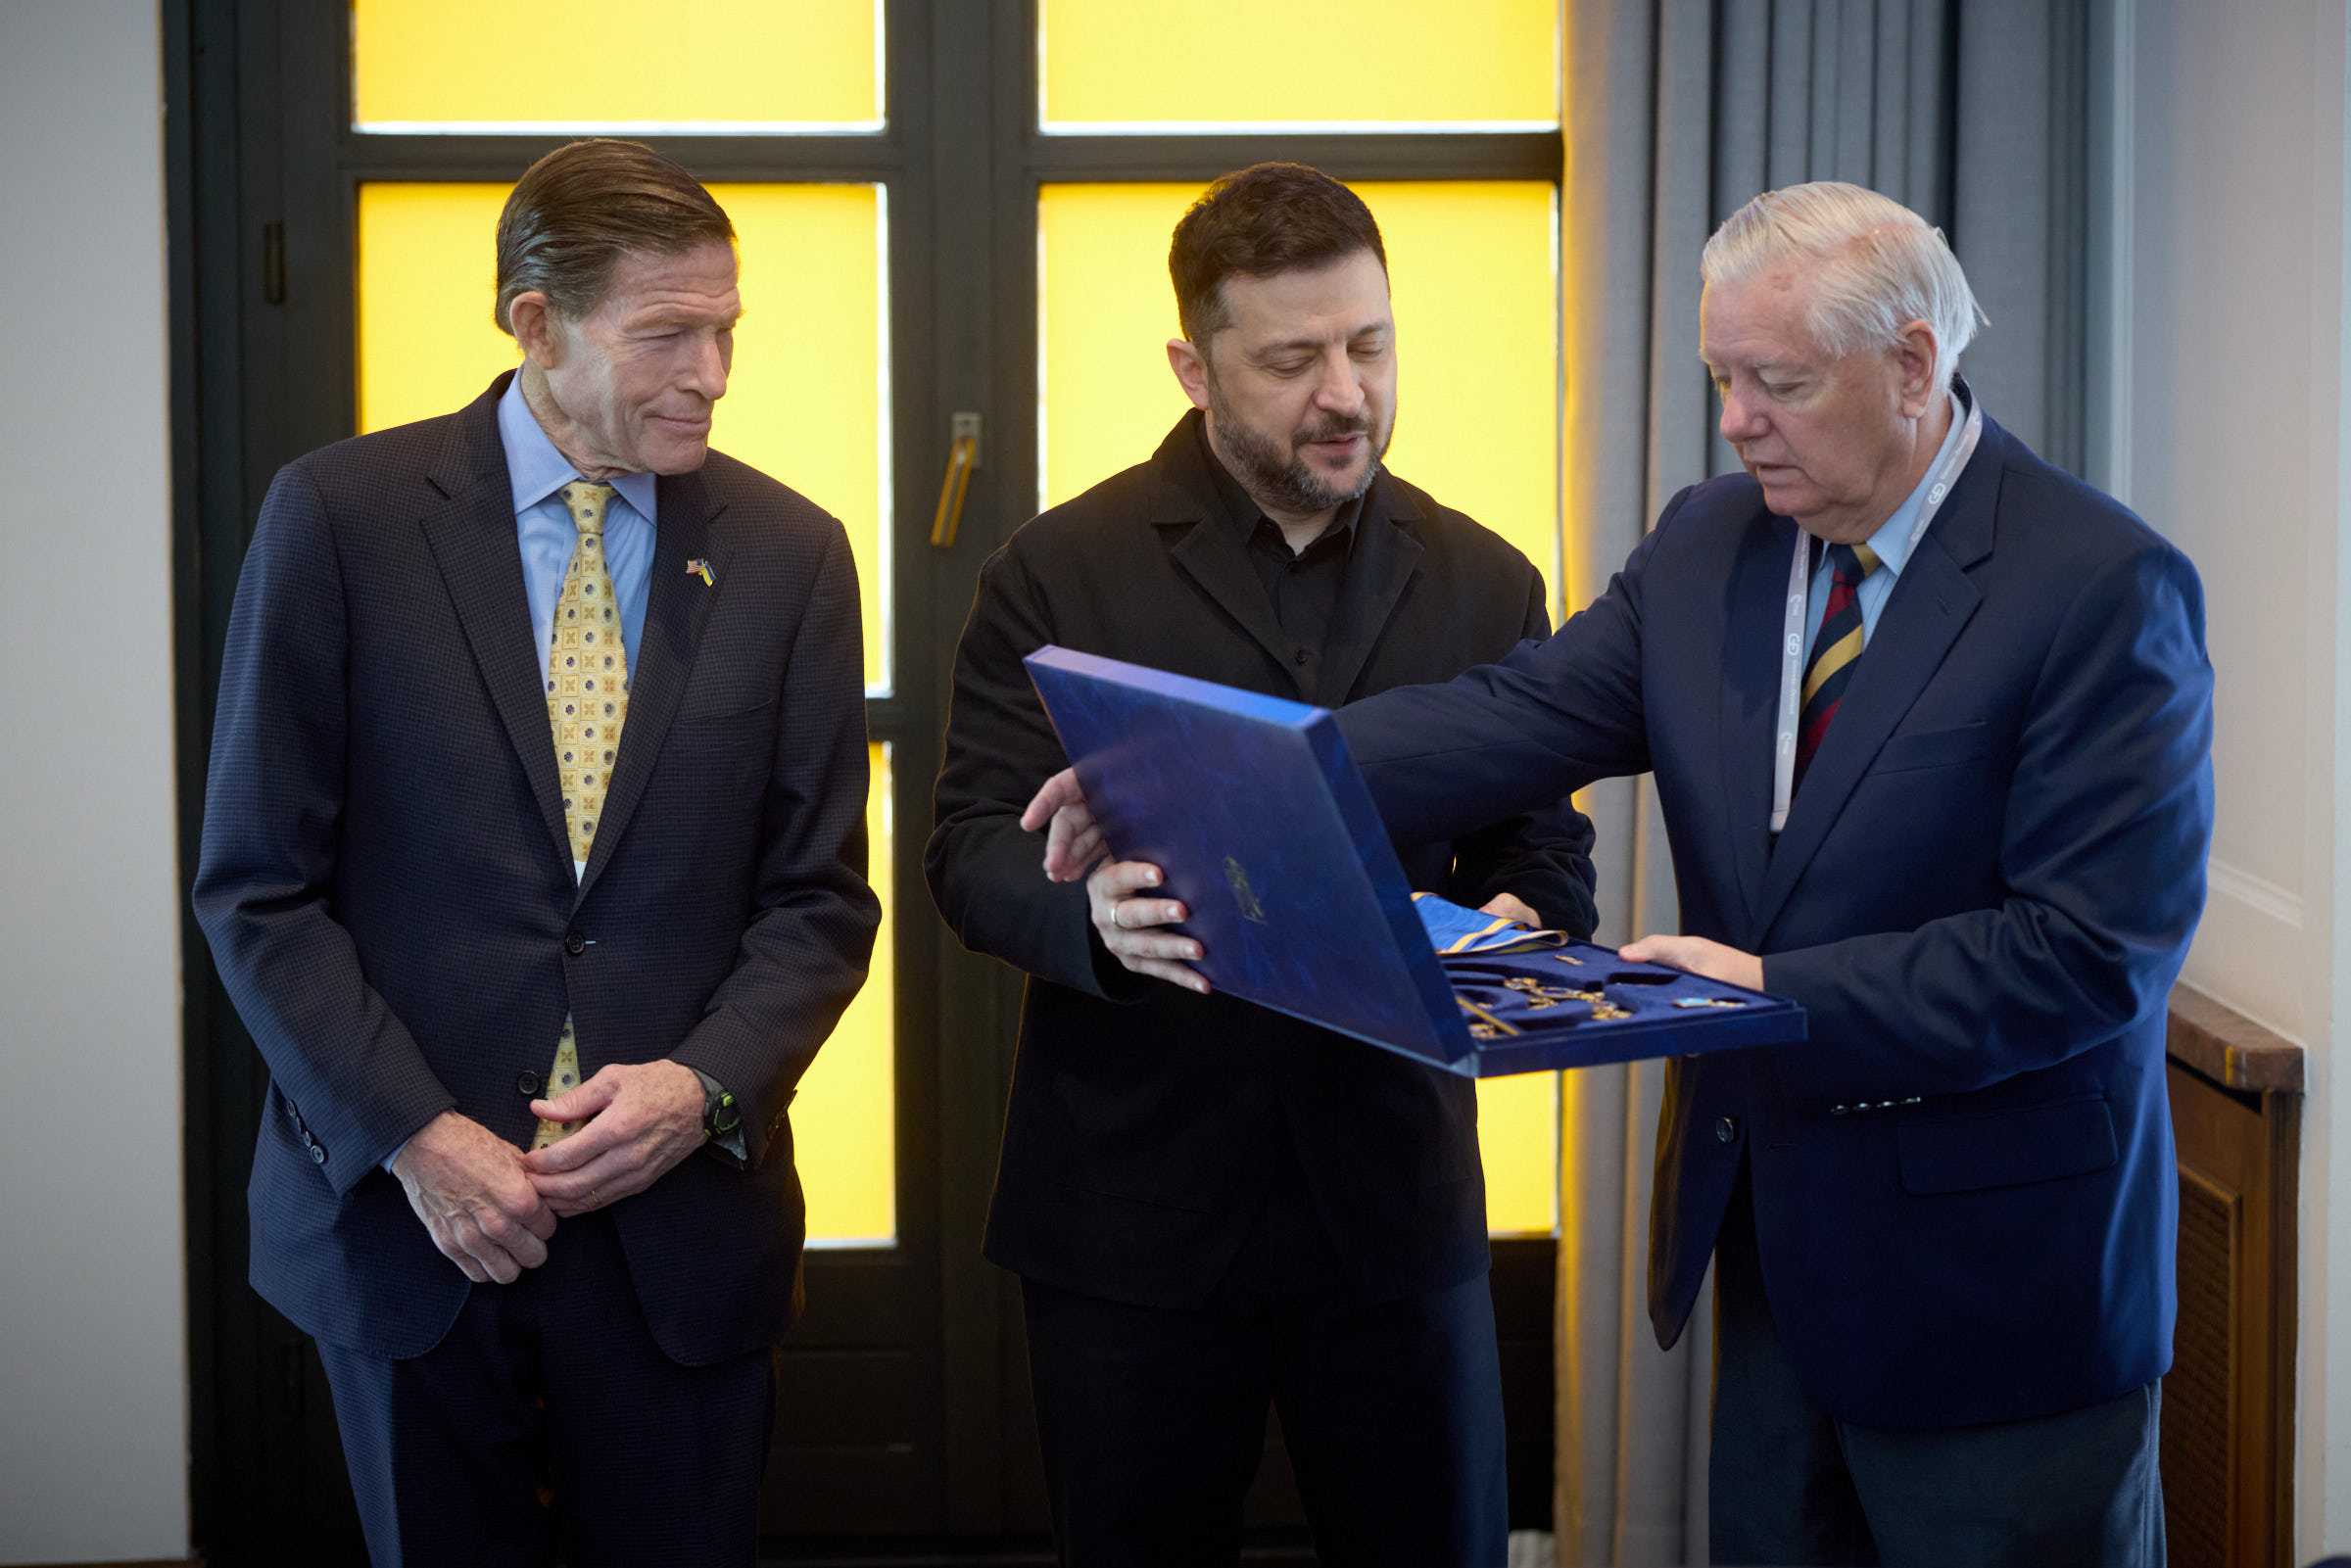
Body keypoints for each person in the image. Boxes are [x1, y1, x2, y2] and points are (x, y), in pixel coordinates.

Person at [1028, 181, 2212, 1567]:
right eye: (1721, 378)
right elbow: (1507, 715)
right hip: (1774, 1264)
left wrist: (1769, 989)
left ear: (1911, 365)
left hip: (2003, 1292)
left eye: (1777, 383)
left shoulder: (2101, 585)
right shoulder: (1715, 539)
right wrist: (1189, 783)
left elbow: (2089, 954)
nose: (1737, 420)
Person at [193, 138, 880, 1565]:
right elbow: (258, 888)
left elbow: (817, 901)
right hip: (413, 1224)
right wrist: (413, 1135)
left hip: (678, 1238)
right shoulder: (340, 518)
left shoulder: (792, 553)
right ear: (535, 323)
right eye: (667, 335)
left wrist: (702, 1087)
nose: (712, 374)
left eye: (728, 330)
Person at [925, 163, 1598, 1565]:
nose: (1346, 393)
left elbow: (1541, 840)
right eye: (1293, 362)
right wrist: (1092, 919)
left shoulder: (1487, 579)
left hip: (1396, 1206)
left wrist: (1521, 921)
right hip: (1131, 1216)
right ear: (1194, 368)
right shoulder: (1056, 569)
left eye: (1371, 345)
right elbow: (970, 845)